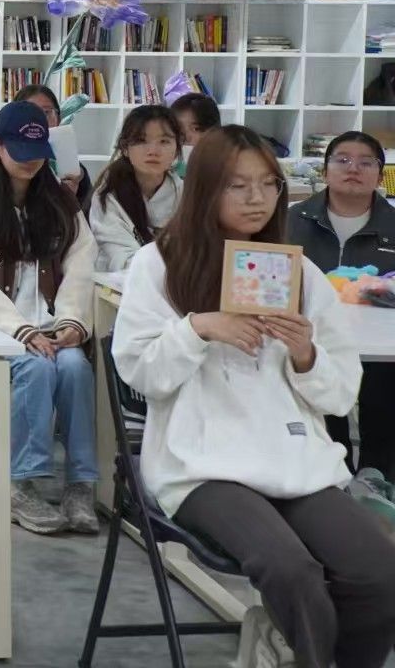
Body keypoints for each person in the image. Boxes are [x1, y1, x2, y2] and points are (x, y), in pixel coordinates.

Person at [115, 125, 395, 668]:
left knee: (379, 572)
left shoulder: (300, 272)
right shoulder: (158, 263)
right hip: (202, 463)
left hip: (293, 456)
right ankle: (301, 650)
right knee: (292, 571)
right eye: (237, 185)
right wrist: (198, 328)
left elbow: (341, 393)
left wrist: (305, 355)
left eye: (268, 184)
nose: (256, 199)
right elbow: (141, 373)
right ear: (205, 188)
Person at [0, 101, 99, 535]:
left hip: (52, 328)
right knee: (35, 367)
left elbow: (82, 261)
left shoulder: (60, 200)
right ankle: (20, 482)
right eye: (20, 151)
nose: (31, 162)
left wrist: (71, 321)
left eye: (38, 153)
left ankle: (81, 483)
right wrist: (20, 330)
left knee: (75, 367)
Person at [289, 130, 395, 477]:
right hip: (313, 336)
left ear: (380, 175)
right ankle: (334, 472)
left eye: (366, 163)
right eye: (343, 160)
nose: (353, 169)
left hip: (384, 346)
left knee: (384, 393)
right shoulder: (292, 220)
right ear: (325, 170)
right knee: (319, 388)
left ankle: (377, 477)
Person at [90, 105, 182, 273]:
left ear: (177, 149)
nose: (153, 151)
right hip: (119, 284)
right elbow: (119, 258)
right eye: (141, 141)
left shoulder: (185, 194)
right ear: (125, 148)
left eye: (164, 141)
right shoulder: (109, 195)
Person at [12, 83, 92, 205]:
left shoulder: (74, 172)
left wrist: (70, 200)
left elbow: (87, 212)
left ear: (58, 119)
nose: (39, 120)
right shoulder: (8, 163)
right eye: (29, 112)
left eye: (46, 112)